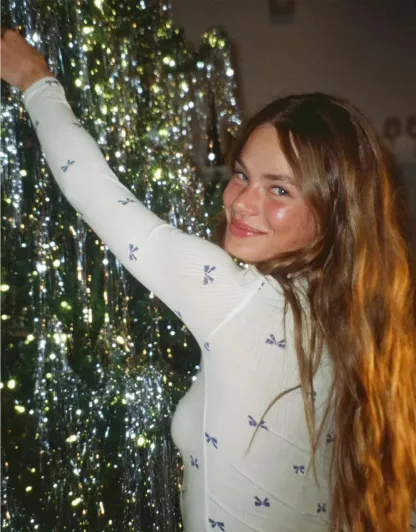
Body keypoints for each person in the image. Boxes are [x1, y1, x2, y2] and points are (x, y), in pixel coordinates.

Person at [1, 29, 415, 532]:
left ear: (336, 210)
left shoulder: (238, 299)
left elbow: (94, 191)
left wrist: (34, 79)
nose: (241, 203)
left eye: (279, 190)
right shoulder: (363, 317)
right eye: (242, 175)